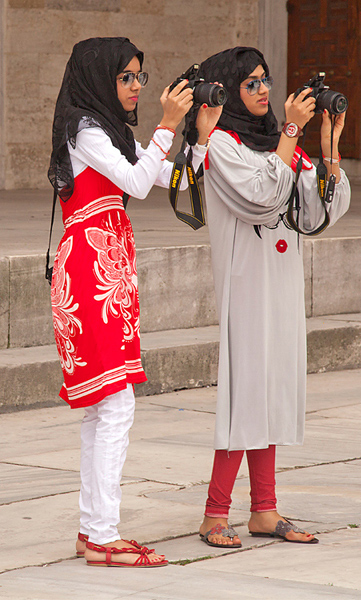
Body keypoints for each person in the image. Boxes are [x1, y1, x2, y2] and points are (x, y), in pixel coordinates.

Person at [48, 37, 222, 567]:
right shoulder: (85, 128)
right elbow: (137, 182)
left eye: (139, 78)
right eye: (126, 77)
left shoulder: (108, 131)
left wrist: (200, 136)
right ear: (100, 77)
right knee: (115, 404)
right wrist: (168, 124)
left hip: (107, 272)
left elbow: (167, 175)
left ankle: (93, 529)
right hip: (89, 276)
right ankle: (102, 534)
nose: (135, 87)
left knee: (105, 407)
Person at [197, 47, 351, 547]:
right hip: (246, 284)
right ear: (229, 91)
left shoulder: (277, 144)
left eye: (266, 81)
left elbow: (318, 214)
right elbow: (263, 195)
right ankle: (214, 513)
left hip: (281, 280)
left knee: (271, 392)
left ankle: (264, 510)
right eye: (251, 84)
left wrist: (327, 144)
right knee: (246, 395)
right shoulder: (220, 145)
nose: (264, 91)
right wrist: (289, 133)